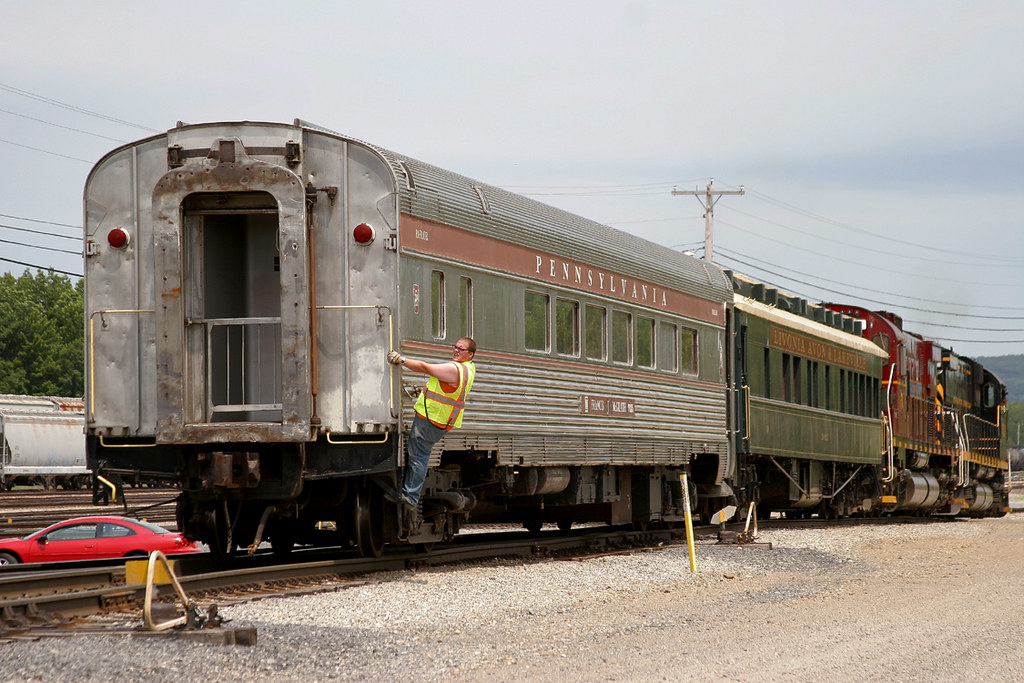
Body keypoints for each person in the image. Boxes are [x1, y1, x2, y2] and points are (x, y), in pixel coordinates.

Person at [387, 337, 477, 515]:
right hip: (437, 420)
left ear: (470, 354)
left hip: (432, 420)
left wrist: (400, 359)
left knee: (419, 455)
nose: (456, 350)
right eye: (455, 346)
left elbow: (425, 367)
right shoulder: (468, 369)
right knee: (418, 454)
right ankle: (410, 493)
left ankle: (410, 496)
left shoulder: (455, 369)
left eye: (461, 349)